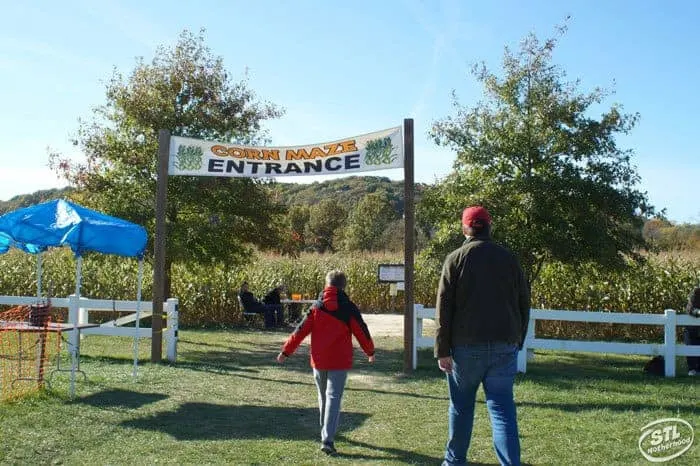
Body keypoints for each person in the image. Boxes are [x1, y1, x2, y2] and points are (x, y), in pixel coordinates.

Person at [435, 206, 530, 466]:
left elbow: (444, 307)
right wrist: (517, 339)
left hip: (466, 347)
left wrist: (442, 349)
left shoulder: (455, 258)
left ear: (465, 227)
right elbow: (524, 302)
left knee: (461, 408)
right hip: (504, 345)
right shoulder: (509, 259)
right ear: (490, 226)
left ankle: (454, 462)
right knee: (502, 411)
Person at [276, 270, 375, 456]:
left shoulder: (316, 307)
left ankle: (325, 433)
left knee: (323, 397)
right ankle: (327, 439)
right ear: (343, 286)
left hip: (319, 360)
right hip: (339, 361)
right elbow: (362, 330)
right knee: (333, 398)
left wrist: (285, 351)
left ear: (327, 285)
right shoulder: (348, 307)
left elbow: (299, 331)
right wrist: (370, 351)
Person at [684, 287, 700, 376]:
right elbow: (690, 309)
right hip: (693, 329)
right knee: (692, 347)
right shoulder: (696, 292)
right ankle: (692, 368)